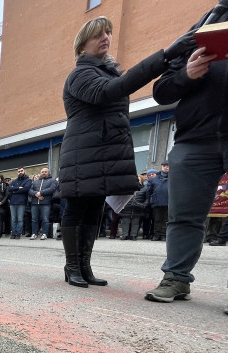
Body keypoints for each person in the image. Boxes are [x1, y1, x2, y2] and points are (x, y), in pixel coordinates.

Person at [57, 16, 194, 287]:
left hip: (102, 151)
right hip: (82, 152)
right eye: (99, 34)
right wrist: (164, 56)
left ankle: (85, 266)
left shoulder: (105, 71)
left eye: (108, 33)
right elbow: (110, 91)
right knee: (76, 207)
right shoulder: (81, 73)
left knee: (94, 208)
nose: (106, 37)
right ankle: (71, 266)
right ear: (83, 43)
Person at [145, 5, 228, 312]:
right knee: (184, 216)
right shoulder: (204, 27)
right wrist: (187, 74)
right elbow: (162, 90)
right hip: (194, 137)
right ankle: (176, 278)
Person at [29, 167, 57, 240]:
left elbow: (52, 189)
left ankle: (45, 233)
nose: (43, 173)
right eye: (42, 172)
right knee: (34, 219)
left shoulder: (52, 181)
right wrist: (36, 194)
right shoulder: (35, 182)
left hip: (46, 203)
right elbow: (30, 191)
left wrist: (41, 193)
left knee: (45, 219)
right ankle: (34, 233)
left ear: (48, 173)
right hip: (35, 203)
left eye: (45, 172)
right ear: (40, 173)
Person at [147, 160, 170, 241]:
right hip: (157, 202)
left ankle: (163, 235)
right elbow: (149, 190)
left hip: (169, 202)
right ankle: (156, 235)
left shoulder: (174, 177)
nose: (166, 167)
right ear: (162, 166)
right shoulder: (154, 178)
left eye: (168, 165)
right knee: (157, 219)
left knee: (166, 220)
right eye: (164, 165)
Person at [7, 167, 31, 239]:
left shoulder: (28, 180)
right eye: (18, 171)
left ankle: (18, 233)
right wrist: (18, 188)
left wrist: (15, 190)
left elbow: (26, 189)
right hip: (13, 202)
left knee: (20, 219)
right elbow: (9, 188)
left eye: (21, 171)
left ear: (24, 171)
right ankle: (13, 233)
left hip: (22, 202)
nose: (20, 172)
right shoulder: (14, 181)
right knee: (13, 219)